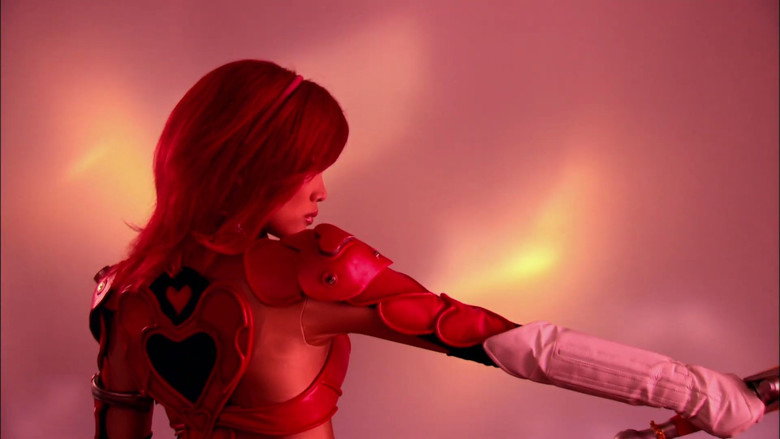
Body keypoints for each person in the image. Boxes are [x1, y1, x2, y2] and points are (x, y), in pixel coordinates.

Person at [89, 60, 765, 439]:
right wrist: (699, 389)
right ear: (247, 165)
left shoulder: (124, 293)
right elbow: (510, 342)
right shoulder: (305, 274)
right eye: (306, 166)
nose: (321, 189)